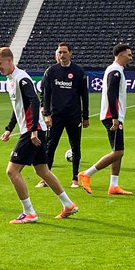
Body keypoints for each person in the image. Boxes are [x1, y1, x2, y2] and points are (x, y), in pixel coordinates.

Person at [0, 47, 78, 224]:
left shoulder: (21, 78)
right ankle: (68, 204)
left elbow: (34, 101)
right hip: (34, 129)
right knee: (42, 171)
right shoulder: (12, 79)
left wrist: (32, 130)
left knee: (12, 172)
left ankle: (29, 212)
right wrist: (9, 128)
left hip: (32, 131)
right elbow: (19, 107)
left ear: (9, 60)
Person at [78, 43, 134, 196]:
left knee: (118, 151)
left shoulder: (116, 70)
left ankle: (113, 185)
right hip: (112, 116)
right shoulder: (115, 71)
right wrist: (115, 117)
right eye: (129, 54)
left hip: (114, 115)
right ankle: (87, 174)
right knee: (118, 152)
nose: (131, 57)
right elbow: (111, 94)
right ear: (120, 54)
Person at [36, 42, 89, 189]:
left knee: (76, 147)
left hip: (73, 115)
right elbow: (45, 93)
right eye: (59, 52)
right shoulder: (51, 71)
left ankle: (75, 179)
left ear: (71, 53)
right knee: (50, 146)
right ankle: (45, 178)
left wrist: (86, 116)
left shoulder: (78, 71)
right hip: (55, 116)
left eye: (65, 52)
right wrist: (46, 114)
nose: (62, 55)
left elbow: (84, 95)